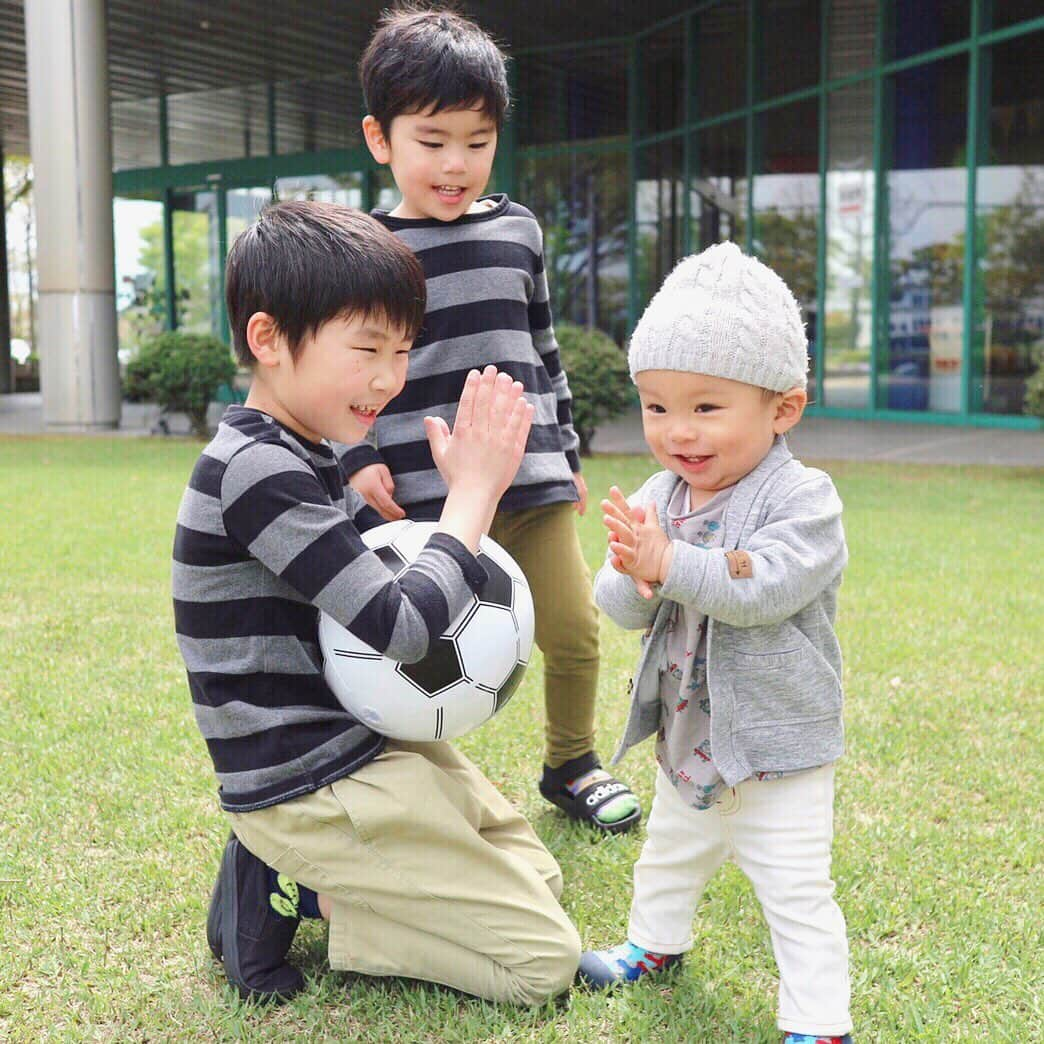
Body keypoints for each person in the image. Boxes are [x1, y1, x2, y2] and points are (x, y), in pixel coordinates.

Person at [173, 200, 580, 1005]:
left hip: (363, 746)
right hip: (307, 778)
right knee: (543, 963)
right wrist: (472, 496)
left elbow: (382, 590)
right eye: (367, 349)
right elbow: (403, 630)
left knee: (542, 874)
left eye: (401, 351)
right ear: (268, 340)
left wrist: (459, 496)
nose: (390, 378)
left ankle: (288, 877)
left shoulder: (307, 453)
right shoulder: (257, 471)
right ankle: (295, 890)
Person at [338, 6, 641, 834]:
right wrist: (354, 458)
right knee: (413, 652)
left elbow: (542, 350)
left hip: (530, 477)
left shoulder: (519, 230)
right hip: (421, 497)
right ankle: (404, 787)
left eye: (476, 140)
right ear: (380, 138)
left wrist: (566, 449)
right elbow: (348, 373)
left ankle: (571, 763)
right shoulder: (365, 249)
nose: (455, 163)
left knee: (575, 632)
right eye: (432, 141)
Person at [578, 242, 854, 1044]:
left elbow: (763, 588)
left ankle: (818, 1022)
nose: (677, 433)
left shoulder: (805, 500)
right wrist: (633, 573)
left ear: (784, 409)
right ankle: (655, 945)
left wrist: (673, 561)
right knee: (668, 853)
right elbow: (624, 611)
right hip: (687, 733)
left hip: (777, 747)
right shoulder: (662, 496)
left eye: (706, 408)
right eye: (657, 408)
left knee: (795, 888)